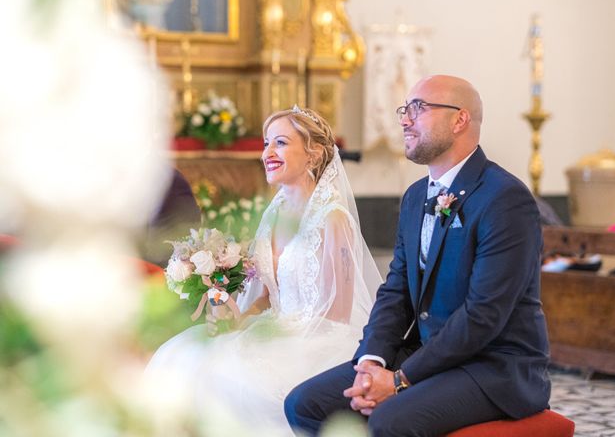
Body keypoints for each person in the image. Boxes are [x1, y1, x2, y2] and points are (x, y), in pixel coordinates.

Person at [285, 75, 551, 436]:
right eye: (404, 110)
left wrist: (398, 380)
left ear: (460, 120)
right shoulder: (414, 197)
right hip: (426, 352)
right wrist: (370, 361)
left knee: (389, 421)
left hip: (495, 366)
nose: (405, 120)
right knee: (305, 404)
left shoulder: (504, 199)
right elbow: (396, 292)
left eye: (418, 108)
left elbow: (484, 315)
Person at [145, 106, 382, 433]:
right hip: (273, 325)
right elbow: (269, 295)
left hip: (320, 339)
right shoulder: (275, 212)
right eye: (266, 143)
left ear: (313, 154)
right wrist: (240, 319)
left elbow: (338, 314)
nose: (268, 152)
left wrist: (275, 338)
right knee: (178, 357)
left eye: (281, 143)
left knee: (229, 378)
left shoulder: (333, 218)